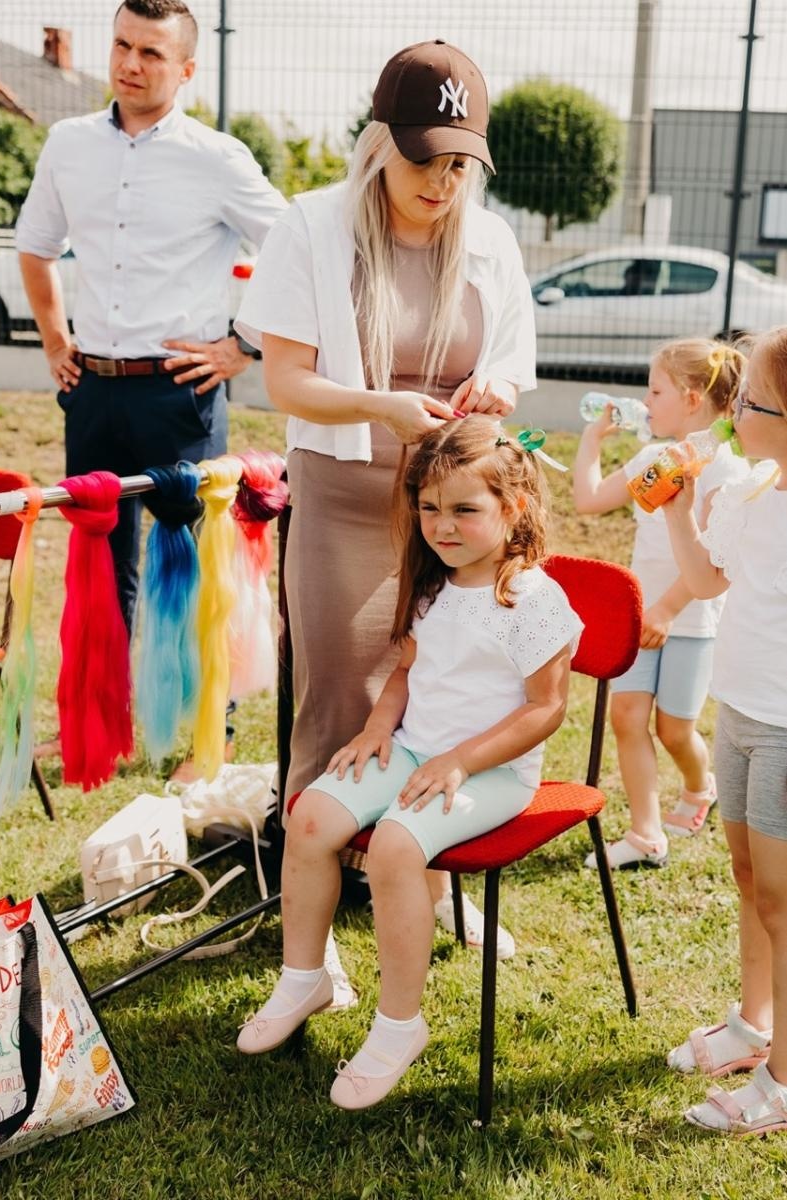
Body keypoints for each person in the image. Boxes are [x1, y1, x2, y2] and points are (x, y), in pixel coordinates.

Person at [235, 39, 537, 964]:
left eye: (459, 162)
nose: (440, 182)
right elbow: (283, 382)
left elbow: (515, 365)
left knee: (450, 698)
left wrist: (492, 395)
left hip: (454, 510)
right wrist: (378, 406)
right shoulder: (311, 225)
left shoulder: (489, 240)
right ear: (378, 141)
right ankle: (310, 926)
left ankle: (431, 883)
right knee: (335, 703)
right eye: (422, 157)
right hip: (343, 494)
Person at [235, 415, 582, 1108]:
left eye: (463, 509)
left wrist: (459, 759)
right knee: (307, 818)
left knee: (395, 848)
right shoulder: (431, 582)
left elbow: (545, 709)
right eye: (428, 507)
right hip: (415, 749)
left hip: (491, 772)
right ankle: (305, 977)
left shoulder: (533, 599)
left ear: (512, 509)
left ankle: (399, 1024)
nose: (441, 525)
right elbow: (406, 670)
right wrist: (375, 727)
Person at [15, 0, 287, 635]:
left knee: (189, 560)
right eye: (121, 45)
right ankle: (100, 722)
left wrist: (242, 346)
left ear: (187, 69)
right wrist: (56, 341)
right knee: (97, 566)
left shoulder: (217, 158)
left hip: (178, 394)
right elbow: (35, 245)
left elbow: (294, 250)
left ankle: (202, 724)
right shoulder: (67, 144)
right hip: (90, 389)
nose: (130, 64)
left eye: (151, 53)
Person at [660, 327, 787, 1135]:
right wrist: (678, 506)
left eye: (747, 403)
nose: (733, 410)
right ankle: (753, 1024)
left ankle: (780, 1080)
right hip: (738, 711)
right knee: (751, 883)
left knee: (783, 901)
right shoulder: (753, 493)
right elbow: (707, 578)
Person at [572, 339, 749, 870]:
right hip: (641, 616)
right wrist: (590, 438)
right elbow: (588, 500)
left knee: (675, 729)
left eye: (655, 390)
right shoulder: (654, 458)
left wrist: (668, 611)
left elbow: (713, 560)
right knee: (628, 717)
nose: (645, 402)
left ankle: (699, 787)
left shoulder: (725, 472)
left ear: (692, 398)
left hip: (691, 621)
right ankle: (646, 834)